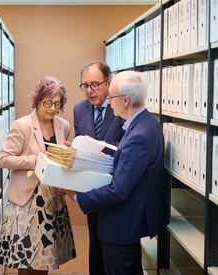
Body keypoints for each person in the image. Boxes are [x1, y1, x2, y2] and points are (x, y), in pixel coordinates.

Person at [66, 70, 167, 275]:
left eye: (112, 98)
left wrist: (75, 196)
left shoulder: (138, 136)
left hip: (121, 224)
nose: (110, 103)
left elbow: (118, 190)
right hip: (127, 221)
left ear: (126, 100)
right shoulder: (145, 124)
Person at [0, 76, 76, 275]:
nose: (52, 108)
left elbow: (59, 160)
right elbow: (4, 159)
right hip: (28, 201)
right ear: (37, 101)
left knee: (44, 260)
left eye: (57, 104)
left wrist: (69, 155)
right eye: (48, 102)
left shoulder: (63, 126)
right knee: (26, 260)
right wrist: (36, 159)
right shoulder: (22, 125)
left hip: (52, 199)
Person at [73, 61, 125, 275]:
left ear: (109, 83)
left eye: (94, 85)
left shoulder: (121, 108)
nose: (89, 91)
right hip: (91, 188)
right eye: (85, 85)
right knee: (95, 248)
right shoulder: (79, 109)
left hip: (116, 190)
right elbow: (81, 142)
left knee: (115, 255)